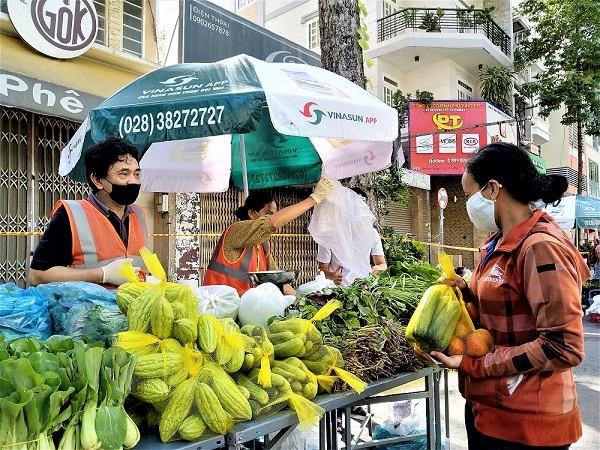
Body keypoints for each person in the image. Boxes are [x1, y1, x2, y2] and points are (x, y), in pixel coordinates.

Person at [431, 142, 587, 450]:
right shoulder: (498, 243)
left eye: (468, 194)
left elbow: (563, 347)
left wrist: (474, 364)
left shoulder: (540, 248)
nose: (467, 203)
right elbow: (503, 309)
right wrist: (467, 293)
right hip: (492, 410)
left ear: (492, 189)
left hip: (529, 424)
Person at [29, 136, 148, 288]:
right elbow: (37, 276)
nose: (133, 181)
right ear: (98, 180)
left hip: (133, 310)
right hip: (86, 310)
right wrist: (103, 274)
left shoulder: (139, 214)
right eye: (124, 174)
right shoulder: (71, 215)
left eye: (136, 174)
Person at [203, 177, 335, 296]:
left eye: (274, 213)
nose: (272, 217)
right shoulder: (235, 230)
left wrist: (300, 299)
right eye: (268, 213)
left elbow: (277, 280)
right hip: (219, 305)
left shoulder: (263, 244)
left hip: (244, 308)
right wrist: (313, 199)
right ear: (251, 213)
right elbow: (273, 222)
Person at [316, 187, 387, 286]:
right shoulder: (329, 234)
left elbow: (382, 264)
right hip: (338, 292)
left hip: (363, 290)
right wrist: (332, 276)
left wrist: (377, 268)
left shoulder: (372, 233)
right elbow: (321, 269)